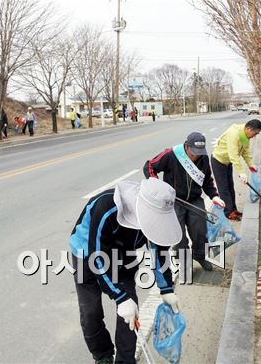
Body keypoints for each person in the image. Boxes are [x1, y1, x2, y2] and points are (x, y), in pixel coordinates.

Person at [71, 178, 182, 364]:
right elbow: (96, 257)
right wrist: (119, 297)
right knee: (91, 312)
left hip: (124, 255)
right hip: (87, 253)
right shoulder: (106, 206)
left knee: (131, 312)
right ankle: (103, 355)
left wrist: (166, 288)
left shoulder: (154, 220)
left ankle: (125, 361)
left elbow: (159, 252)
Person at [143, 132, 225, 272]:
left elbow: (207, 181)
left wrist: (214, 196)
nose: (195, 156)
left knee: (200, 231)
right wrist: (157, 187)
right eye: (193, 152)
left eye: (199, 152)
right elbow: (149, 166)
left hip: (194, 199)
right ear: (186, 146)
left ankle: (199, 256)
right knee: (178, 235)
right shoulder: (171, 154)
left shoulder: (204, 159)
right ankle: (184, 261)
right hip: (173, 201)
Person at [211, 119, 261, 221]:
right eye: (255, 133)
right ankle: (228, 212)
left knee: (230, 186)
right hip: (219, 160)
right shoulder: (234, 134)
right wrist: (242, 173)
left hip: (227, 162)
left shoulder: (245, 136)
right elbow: (233, 155)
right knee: (224, 188)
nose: (255, 136)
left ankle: (233, 209)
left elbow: (245, 152)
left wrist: (250, 164)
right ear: (248, 129)